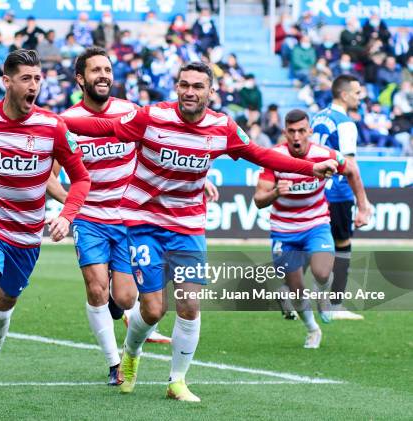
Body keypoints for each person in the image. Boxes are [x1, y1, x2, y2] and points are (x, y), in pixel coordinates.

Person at [62, 61, 338, 401]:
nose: (189, 92)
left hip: (188, 224)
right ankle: (130, 354)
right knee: (151, 309)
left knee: (190, 304)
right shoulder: (151, 117)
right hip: (144, 219)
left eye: (197, 86)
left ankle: (177, 381)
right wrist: (49, 122)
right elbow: (101, 126)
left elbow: (261, 154)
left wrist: (310, 167)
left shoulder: (222, 127)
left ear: (211, 92)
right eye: (184, 85)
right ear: (176, 87)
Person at [0, 50, 90, 419]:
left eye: (38, 79)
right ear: (7, 81)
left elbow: (82, 177)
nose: (34, 85)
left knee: (2, 310)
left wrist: (67, 215)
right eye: (27, 79)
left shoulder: (53, 127)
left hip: (25, 237)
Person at [48, 47, 165, 386]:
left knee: (127, 298)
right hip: (91, 219)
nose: (103, 75)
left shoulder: (131, 113)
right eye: (96, 70)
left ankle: (123, 325)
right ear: (80, 79)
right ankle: (115, 364)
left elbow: (157, 155)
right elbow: (50, 176)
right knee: (96, 288)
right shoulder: (68, 122)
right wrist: (73, 208)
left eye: (108, 69)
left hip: (128, 219)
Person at [254, 109, 370, 348]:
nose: (296, 137)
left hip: (315, 223)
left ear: (310, 132)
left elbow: (351, 170)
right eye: (292, 132)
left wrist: (363, 206)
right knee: (295, 287)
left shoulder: (324, 154)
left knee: (322, 272)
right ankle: (312, 329)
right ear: (285, 132)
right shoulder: (272, 157)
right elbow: (258, 200)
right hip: (283, 230)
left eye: (301, 131)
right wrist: (276, 192)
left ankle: (323, 298)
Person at [311, 74, 369, 320]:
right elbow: (351, 167)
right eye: (356, 92)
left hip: (316, 189)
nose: (360, 96)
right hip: (338, 192)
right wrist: (363, 203)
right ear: (344, 95)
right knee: (342, 244)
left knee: (316, 241)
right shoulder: (345, 123)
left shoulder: (318, 117)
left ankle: (296, 291)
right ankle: (334, 305)